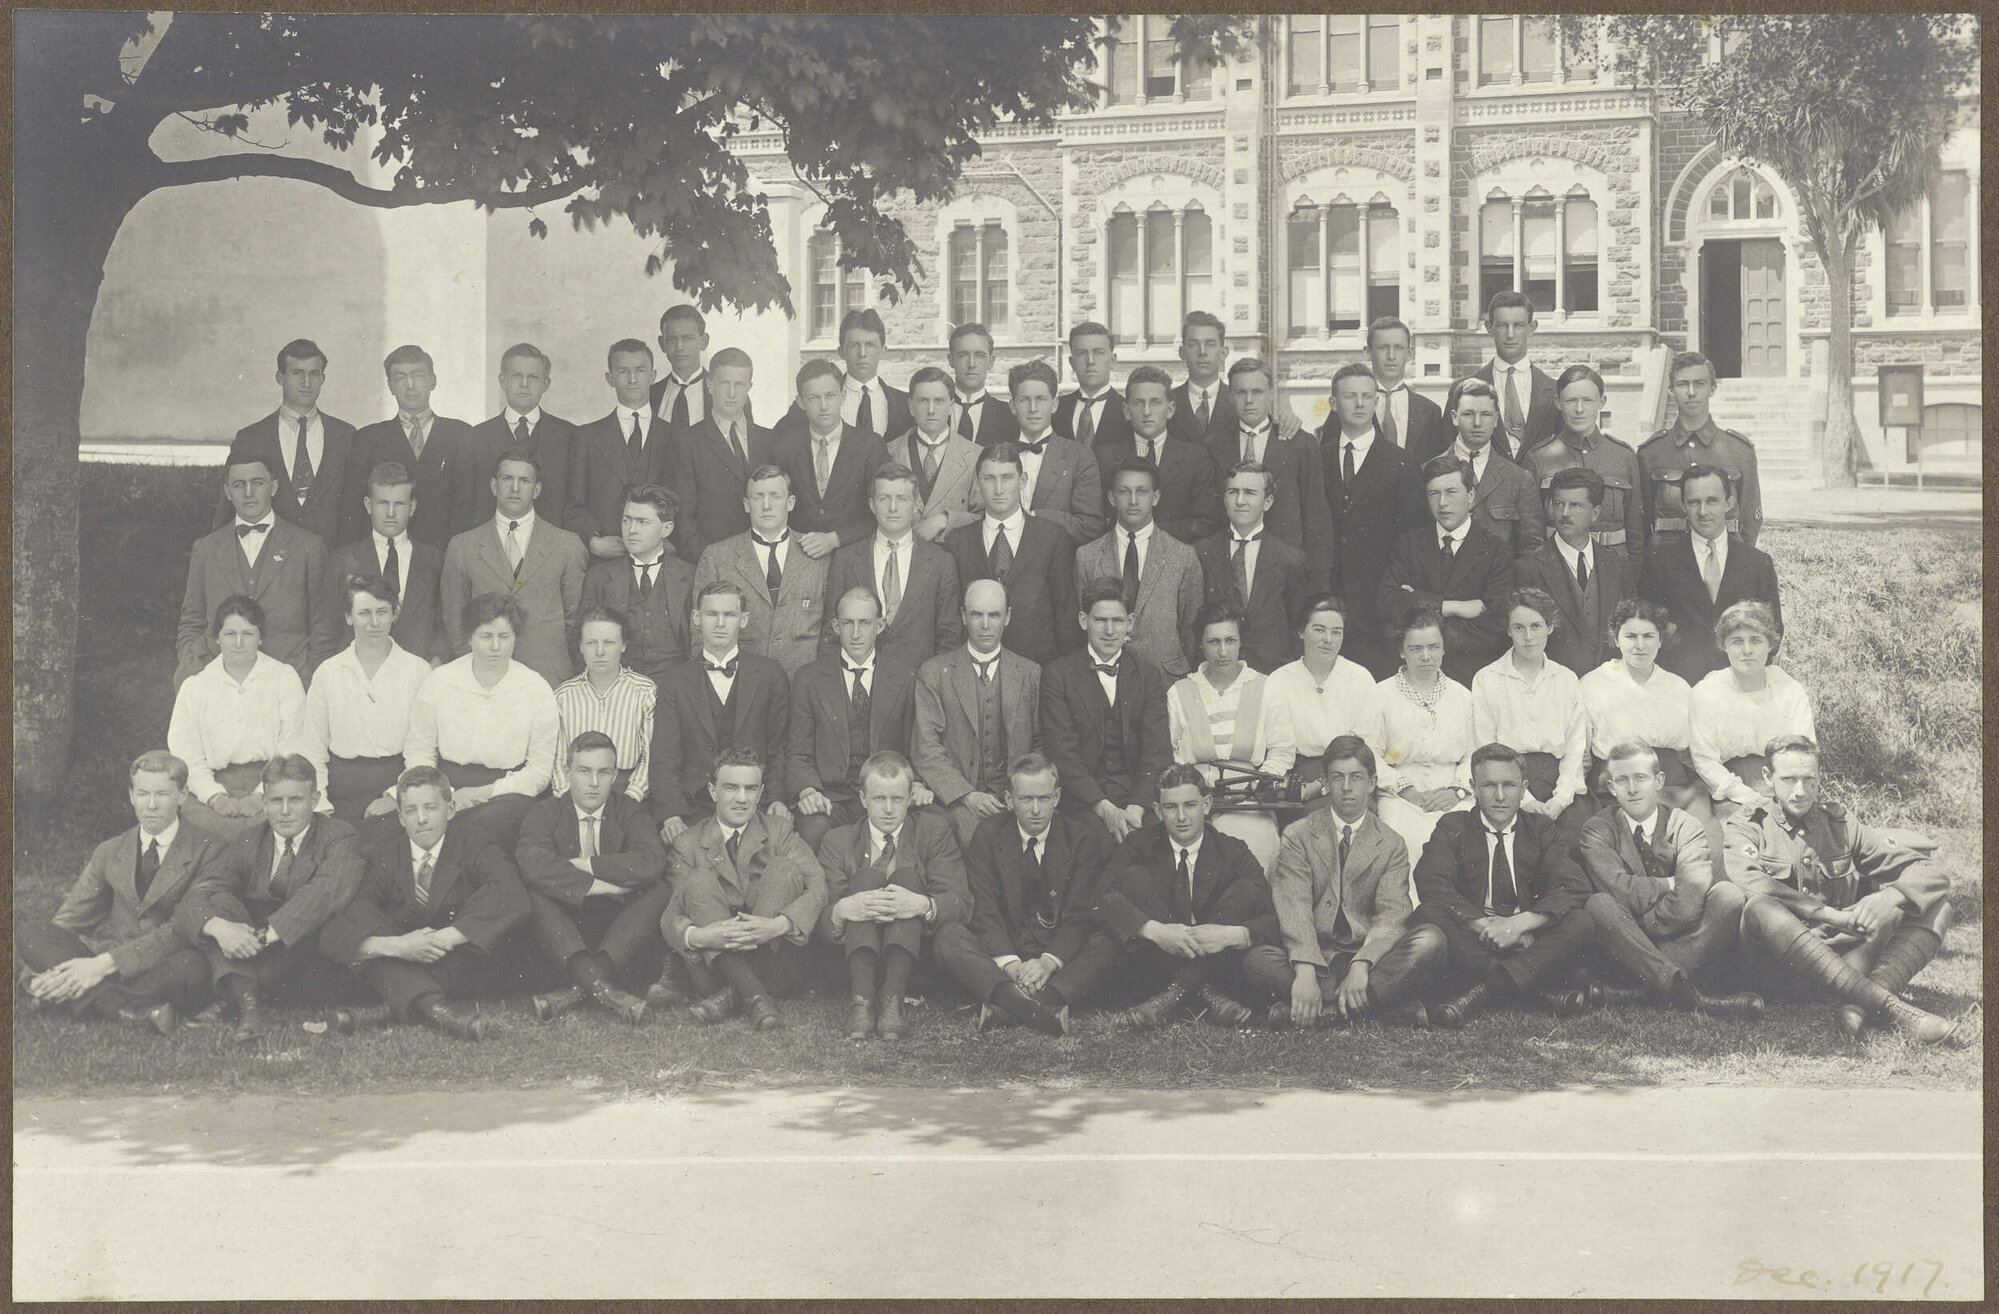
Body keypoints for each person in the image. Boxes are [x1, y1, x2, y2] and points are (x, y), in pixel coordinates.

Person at [1728, 736, 1959, 1045]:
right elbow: (1747, 880)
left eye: (1809, 779)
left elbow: (1930, 871)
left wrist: (1891, 896)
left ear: (1819, 777)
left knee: (1936, 905)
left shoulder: (1839, 824)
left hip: (1844, 958)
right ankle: (1891, 1007)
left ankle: (1858, 1004)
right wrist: (1829, 915)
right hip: (1779, 968)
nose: (1800, 790)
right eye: (1789, 779)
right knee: (1760, 907)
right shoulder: (1748, 824)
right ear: (1768, 777)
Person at [317, 766, 531, 1041]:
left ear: (450, 809)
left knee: (496, 896)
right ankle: (441, 1012)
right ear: (400, 817)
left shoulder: (473, 842)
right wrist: (399, 947)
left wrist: (442, 939)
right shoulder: (384, 855)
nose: (421, 819)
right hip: (404, 957)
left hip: (459, 960)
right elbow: (344, 924)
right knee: (355, 917)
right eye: (411, 810)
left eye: (430, 807)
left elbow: (513, 895)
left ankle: (393, 1006)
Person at [16, 751, 222, 1034]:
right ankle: (134, 1010)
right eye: (143, 794)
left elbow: (182, 930)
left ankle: (88, 999)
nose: (151, 805)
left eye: (162, 794)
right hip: (116, 970)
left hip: (166, 964)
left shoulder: (209, 849)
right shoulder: (110, 851)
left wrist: (102, 965)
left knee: (191, 966)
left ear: (183, 795)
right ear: (131, 796)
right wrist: (38, 975)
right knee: (33, 933)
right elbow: (70, 919)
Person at [1256, 737, 1447, 1028]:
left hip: (1368, 956)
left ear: (1372, 783)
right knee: (1256, 958)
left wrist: (1362, 964)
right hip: (1315, 956)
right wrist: (1305, 970)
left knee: (1430, 940)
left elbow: (1393, 914)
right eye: (1337, 778)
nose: (1347, 787)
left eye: (1356, 778)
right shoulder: (1298, 834)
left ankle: (1323, 1010)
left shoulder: (1391, 843)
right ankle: (1380, 1009)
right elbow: (1294, 906)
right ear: (1325, 783)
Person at [174, 756, 364, 1039]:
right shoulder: (251, 838)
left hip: (302, 947)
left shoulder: (338, 835)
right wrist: (219, 928)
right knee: (220, 903)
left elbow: (326, 892)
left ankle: (235, 997)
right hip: (251, 947)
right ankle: (250, 1004)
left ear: (314, 800)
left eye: (296, 800)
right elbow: (199, 892)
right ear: (264, 802)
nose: (285, 811)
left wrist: (263, 937)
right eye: (276, 801)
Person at [1410, 744, 1599, 1027]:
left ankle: (1487, 988)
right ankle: (1532, 990)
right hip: (1476, 939)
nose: (1500, 796)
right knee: (1427, 913)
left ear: (1523, 789)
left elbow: (1574, 885)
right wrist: (1487, 927)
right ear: (1474, 787)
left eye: (1509, 785)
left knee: (1581, 921)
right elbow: (1431, 882)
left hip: (1528, 938)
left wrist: (1519, 924)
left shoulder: (1540, 828)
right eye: (1489, 785)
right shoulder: (1453, 825)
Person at [936, 752, 1120, 1035]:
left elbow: (1079, 915)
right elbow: (984, 908)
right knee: (948, 936)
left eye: (1044, 798)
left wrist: (1048, 962)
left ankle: (1007, 1002)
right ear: (1009, 800)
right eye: (1026, 799)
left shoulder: (1080, 838)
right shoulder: (988, 834)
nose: (1036, 809)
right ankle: (1039, 1007)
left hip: (1056, 955)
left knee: (1108, 941)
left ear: (1057, 797)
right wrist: (1011, 965)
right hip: (1005, 953)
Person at [1577, 742, 1762, 1018]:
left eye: (1641, 778)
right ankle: (1687, 993)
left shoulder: (1686, 825)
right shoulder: (1597, 830)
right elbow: (1617, 891)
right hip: (1626, 939)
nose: (1632, 788)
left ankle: (1645, 986)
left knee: (1728, 896)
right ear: (1612, 788)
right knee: (1599, 904)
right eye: (1622, 780)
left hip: (1661, 940)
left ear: (1659, 781)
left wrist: (1644, 926)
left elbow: (1689, 902)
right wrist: (1669, 884)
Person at [1093, 764, 1284, 1028]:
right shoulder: (1138, 844)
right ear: (1158, 811)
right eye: (1171, 807)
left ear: (1206, 805)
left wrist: (1231, 934)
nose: (1181, 817)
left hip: (1217, 962)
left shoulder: (1232, 850)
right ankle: (1205, 994)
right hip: (1156, 960)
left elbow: (1270, 917)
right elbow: (1099, 899)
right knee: (1133, 878)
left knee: (1247, 891)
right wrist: (1155, 930)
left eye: (1190, 805)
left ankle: (1175, 995)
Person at [663, 750, 827, 1030]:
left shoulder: (778, 831)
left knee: (784, 869)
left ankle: (738, 994)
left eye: (750, 789)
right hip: (715, 967)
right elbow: (672, 913)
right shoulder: (688, 843)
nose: (741, 798)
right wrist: (701, 936)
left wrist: (777, 925)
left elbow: (818, 886)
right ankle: (755, 996)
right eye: (731, 788)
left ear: (761, 792)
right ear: (712, 791)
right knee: (697, 881)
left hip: (774, 963)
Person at [516, 732, 671, 1025]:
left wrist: (586, 865)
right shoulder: (546, 812)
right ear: (568, 771)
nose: (594, 782)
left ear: (615, 775)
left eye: (603, 772)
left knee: (659, 890)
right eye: (584, 771)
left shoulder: (629, 810)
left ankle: (580, 987)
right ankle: (605, 989)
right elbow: (532, 864)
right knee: (532, 893)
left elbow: (651, 861)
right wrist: (598, 886)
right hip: (565, 930)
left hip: (617, 933)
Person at [818, 752, 972, 1042]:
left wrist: (923, 904)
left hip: (913, 961)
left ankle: (893, 1000)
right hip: (854, 962)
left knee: (906, 878)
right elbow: (821, 921)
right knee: (866, 879)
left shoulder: (933, 831)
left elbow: (961, 903)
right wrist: (842, 909)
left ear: (910, 797)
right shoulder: (838, 841)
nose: (888, 809)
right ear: (863, 799)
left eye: (897, 799)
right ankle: (862, 1002)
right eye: (879, 799)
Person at [402, 592, 562, 845]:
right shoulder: (440, 681)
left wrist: (482, 793)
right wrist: (440, 794)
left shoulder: (535, 688)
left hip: (508, 795)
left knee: (488, 826)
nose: (495, 646)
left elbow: (539, 772)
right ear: (469, 637)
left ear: (515, 637)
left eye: (504, 636)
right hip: (445, 788)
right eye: (486, 636)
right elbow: (419, 750)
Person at [648, 581, 792, 840]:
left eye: (730, 615)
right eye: (711, 614)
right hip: (695, 805)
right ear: (696, 618)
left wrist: (777, 799)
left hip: (754, 803)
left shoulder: (770, 674)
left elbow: (779, 747)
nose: (720, 623)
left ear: (744, 619)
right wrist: (671, 814)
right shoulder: (675, 680)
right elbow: (664, 755)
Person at [177, 457, 335, 689]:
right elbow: (192, 620)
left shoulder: (308, 547)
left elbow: (323, 625)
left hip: (289, 680)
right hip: (219, 683)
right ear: (228, 492)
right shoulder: (207, 549)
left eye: (257, 483)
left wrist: (311, 678)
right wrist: (193, 667)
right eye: (239, 485)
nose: (248, 492)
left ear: (274, 487)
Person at [440, 446, 589, 687]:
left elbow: (574, 619)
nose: (515, 488)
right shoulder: (463, 547)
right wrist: (474, 671)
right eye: (507, 479)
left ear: (537, 489)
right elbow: (455, 621)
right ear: (494, 485)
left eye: (525, 481)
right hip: (484, 677)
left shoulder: (567, 545)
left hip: (548, 677)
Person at [787, 587, 923, 849]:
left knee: (929, 826)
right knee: (813, 828)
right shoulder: (809, 678)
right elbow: (798, 752)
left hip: (886, 795)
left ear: (880, 625)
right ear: (836, 626)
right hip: (832, 798)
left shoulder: (905, 677)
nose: (856, 633)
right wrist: (809, 790)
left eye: (865, 623)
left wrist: (915, 783)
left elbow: (914, 748)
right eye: (848, 623)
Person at [1040, 579, 1173, 844]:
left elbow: (1157, 752)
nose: (1110, 630)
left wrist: (1136, 808)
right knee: (1095, 844)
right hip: (1084, 802)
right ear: (1083, 620)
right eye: (1100, 620)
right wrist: (1104, 809)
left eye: (1118, 621)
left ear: (1130, 623)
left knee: (1152, 844)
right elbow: (1063, 755)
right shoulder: (1058, 674)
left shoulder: (1148, 676)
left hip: (1137, 800)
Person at [913, 579, 1043, 846]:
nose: (985, 625)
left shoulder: (1030, 673)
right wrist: (966, 795)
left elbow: (1041, 742)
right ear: (963, 616)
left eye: (994, 615)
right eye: (976, 615)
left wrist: (1020, 794)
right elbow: (927, 748)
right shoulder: (935, 673)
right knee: (970, 837)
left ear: (1007, 617)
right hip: (959, 801)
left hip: (1015, 800)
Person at [1167, 602, 1295, 870]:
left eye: (1230, 640)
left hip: (1248, 798)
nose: (1223, 651)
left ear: (1240, 642)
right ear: (1200, 644)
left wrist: (1255, 786)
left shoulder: (1265, 687)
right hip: (1193, 798)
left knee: (1257, 845)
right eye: (1213, 642)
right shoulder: (1180, 692)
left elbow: (1282, 750)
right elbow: (1172, 756)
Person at [168, 595, 308, 840]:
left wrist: (262, 794)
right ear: (217, 638)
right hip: (208, 786)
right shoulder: (196, 686)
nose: (239, 643)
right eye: (230, 634)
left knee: (266, 832)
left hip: (275, 783)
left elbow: (293, 743)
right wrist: (214, 796)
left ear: (261, 638)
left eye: (248, 634)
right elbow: (185, 752)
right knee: (206, 834)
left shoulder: (284, 678)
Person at [297, 573, 433, 822]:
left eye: (382, 612)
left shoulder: (418, 671)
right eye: (364, 613)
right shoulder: (328, 672)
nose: (374, 622)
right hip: (338, 789)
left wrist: (396, 797)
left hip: (399, 785)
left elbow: (422, 750)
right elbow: (313, 749)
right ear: (349, 617)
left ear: (394, 614)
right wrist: (321, 806)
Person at [1322, 362, 1429, 677]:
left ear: (1376, 401)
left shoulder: (1402, 463)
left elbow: (1412, 536)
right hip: (1329, 600)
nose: (1359, 404)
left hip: (1378, 606)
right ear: (1333, 403)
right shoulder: (1317, 457)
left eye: (1366, 396)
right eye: (1350, 396)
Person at [1378, 454, 1513, 685]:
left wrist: (1416, 604)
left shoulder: (1496, 550)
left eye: (1451, 492)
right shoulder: (1408, 544)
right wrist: (1451, 607)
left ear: (1471, 495)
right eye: (1434, 493)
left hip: (1471, 676)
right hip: (1414, 675)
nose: (1442, 503)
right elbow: (1388, 603)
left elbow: (1495, 626)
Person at [1641, 463, 1782, 682]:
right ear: (1683, 506)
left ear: (1729, 503)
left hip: (1739, 684)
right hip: (1680, 685)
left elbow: (1773, 632)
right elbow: (1649, 631)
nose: (1703, 512)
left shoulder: (1757, 563)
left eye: (1712, 501)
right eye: (1694, 502)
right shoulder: (1660, 562)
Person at [943, 441, 1078, 664]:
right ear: (977, 482)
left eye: (1007, 478)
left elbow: (1065, 615)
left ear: (1022, 481)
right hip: (974, 666)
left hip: (1038, 666)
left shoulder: (1052, 537)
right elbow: (951, 618)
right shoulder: (958, 541)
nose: (998, 489)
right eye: (989, 478)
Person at [820, 462, 964, 670]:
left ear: (916, 504)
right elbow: (831, 633)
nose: (893, 508)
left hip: (919, 681)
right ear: (872, 505)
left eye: (902, 498)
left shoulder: (940, 562)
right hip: (859, 680)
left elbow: (949, 638)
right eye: (884, 498)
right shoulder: (846, 559)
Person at [221, 338, 363, 549]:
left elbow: (357, 509)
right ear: (280, 378)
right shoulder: (251, 438)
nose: (307, 382)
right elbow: (227, 511)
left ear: (322, 379)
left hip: (332, 559)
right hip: (270, 560)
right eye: (297, 373)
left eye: (314, 374)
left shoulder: (346, 436)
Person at [692, 464, 828, 678]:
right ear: (747, 505)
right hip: (741, 681)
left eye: (775, 496)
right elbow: (699, 631)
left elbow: (831, 629)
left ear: (790, 503)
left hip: (803, 680)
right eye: (758, 497)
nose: (766, 506)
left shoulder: (817, 554)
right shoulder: (717, 556)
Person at [1074, 457, 1204, 677]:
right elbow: (1085, 625)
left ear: (1156, 497)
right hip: (1105, 677)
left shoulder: (1182, 555)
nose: (1133, 500)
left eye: (1142, 491)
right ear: (1112, 498)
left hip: (1165, 678)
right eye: (1124, 492)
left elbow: (1191, 630)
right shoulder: (1087, 556)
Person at [1369, 605, 1478, 864]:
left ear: (1443, 649)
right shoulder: (1381, 695)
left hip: (1453, 796)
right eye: (1416, 648)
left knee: (1464, 844)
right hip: (1399, 797)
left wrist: (1455, 792)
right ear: (1401, 651)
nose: (1426, 656)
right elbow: (1370, 753)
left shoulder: (1462, 696)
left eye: (1433, 647)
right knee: (1404, 844)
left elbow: (1473, 754)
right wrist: (1409, 792)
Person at [568, 339, 692, 564]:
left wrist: (672, 541)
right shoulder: (586, 436)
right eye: (623, 371)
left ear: (653, 376)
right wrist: (593, 541)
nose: (633, 379)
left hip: (664, 560)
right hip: (605, 562)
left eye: (640, 371)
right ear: (610, 378)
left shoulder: (678, 436)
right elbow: (573, 506)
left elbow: (688, 503)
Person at [1470, 588, 1588, 824]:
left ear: (1549, 627)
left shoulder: (1566, 679)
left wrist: (1560, 799)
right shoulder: (1487, 678)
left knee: (1575, 836)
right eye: (1519, 628)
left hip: (1559, 782)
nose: (1528, 636)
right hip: (1504, 784)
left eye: (1536, 626)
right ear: (1508, 630)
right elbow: (1484, 746)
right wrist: (1525, 801)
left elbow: (1575, 747)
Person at [1689, 600, 1814, 817]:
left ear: (1770, 644)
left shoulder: (1789, 689)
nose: (1747, 650)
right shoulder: (1706, 692)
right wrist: (1748, 797)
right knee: (1742, 834)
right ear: (1725, 646)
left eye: (1756, 640)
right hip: (1729, 792)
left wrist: (1786, 790)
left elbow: (1805, 750)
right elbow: (1704, 759)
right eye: (1737, 641)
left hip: (1785, 786)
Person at [1216, 357, 1330, 588]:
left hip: (1286, 570)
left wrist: (1317, 584)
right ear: (1230, 396)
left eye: (1257, 392)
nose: (1249, 400)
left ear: (1270, 393)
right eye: (1241, 392)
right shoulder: (1214, 445)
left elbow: (1316, 516)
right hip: (1230, 567)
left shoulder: (1300, 443)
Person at [1259, 593, 1381, 808]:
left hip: (1351, 773)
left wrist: (1320, 785)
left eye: (1336, 631)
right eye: (1319, 630)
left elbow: (1365, 746)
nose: (1328, 639)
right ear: (1301, 631)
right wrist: (1266, 782)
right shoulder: (1280, 680)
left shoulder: (1360, 678)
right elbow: (1281, 752)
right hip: (1300, 775)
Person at [354, 344, 481, 549]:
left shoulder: (461, 435)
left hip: (448, 555)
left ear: (433, 381)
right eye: (400, 377)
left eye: (418, 375)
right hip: (387, 555)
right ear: (390, 386)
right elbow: (357, 514)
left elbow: (470, 507)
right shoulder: (368, 439)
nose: (410, 385)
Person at [1519, 365, 1643, 570]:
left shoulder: (1623, 456)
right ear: (1558, 402)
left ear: (1602, 402)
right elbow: (1531, 534)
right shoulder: (1538, 458)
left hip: (1614, 567)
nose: (1579, 409)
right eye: (1571, 400)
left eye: (1587, 400)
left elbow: (1636, 531)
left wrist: (1633, 578)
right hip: (1558, 568)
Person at [1512, 467, 1632, 676]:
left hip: (1608, 683)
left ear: (1595, 513)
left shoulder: (1617, 565)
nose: (1564, 513)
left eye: (1575, 505)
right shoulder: (1528, 568)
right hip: (1552, 684)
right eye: (1559, 504)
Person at [1639, 350, 1763, 552]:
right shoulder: (1651, 453)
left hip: (1723, 560)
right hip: (1667, 561)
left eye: (1699, 384)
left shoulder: (1740, 451)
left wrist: (1738, 563)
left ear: (1712, 388)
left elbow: (1750, 521)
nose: (1691, 392)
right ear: (1671, 390)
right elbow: (1642, 522)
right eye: (1682, 384)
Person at [324, 461, 445, 662]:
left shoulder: (433, 560)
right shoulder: (343, 560)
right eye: (383, 503)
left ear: (412, 507)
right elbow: (325, 631)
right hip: (359, 673)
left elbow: (444, 627)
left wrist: (435, 663)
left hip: (417, 672)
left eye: (399, 504)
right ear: (368, 505)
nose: (390, 513)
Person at [1195, 461, 1308, 675]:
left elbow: (1298, 629)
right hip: (1217, 673)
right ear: (1224, 498)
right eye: (1233, 492)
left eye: (1249, 493)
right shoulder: (1202, 552)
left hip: (1272, 672)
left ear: (1268, 501)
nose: (1240, 501)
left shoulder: (1289, 558)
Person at [771, 357, 890, 560]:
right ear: (800, 402)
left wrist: (835, 539)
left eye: (830, 395)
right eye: (813, 398)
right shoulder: (785, 447)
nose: (824, 406)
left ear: (843, 396)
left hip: (855, 557)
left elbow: (882, 512)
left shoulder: (870, 446)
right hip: (798, 557)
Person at [577, 483, 695, 685]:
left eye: (642, 522)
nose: (631, 530)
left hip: (676, 687)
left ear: (666, 529)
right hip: (617, 688)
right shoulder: (600, 577)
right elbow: (582, 641)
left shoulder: (689, 576)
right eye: (626, 520)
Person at [1097, 364, 1222, 545]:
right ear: (1126, 410)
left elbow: (1206, 521)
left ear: (1170, 409)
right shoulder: (1105, 457)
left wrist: (1148, 534)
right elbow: (1100, 519)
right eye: (1139, 403)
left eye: (1155, 402)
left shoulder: (1195, 457)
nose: (1147, 412)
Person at [671, 346, 773, 556]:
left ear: (749, 387)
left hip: (764, 558)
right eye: (725, 383)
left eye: (740, 384)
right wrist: (712, 562)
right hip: (709, 559)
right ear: (710, 385)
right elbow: (684, 520)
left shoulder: (769, 440)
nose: (732, 393)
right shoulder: (688, 442)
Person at [551, 608, 656, 806]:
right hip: (575, 793)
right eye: (591, 643)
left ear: (623, 645)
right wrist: (569, 801)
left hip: (627, 791)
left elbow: (649, 758)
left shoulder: (645, 692)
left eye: (609, 643)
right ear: (581, 646)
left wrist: (630, 799)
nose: (600, 651)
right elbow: (558, 761)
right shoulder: (563, 696)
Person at [467, 342, 576, 530]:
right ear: (502, 380)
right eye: (517, 376)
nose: (524, 384)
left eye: (533, 377)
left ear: (545, 384)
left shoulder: (570, 436)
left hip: (552, 543)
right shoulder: (475, 438)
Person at [1006, 358, 1106, 545]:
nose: (1033, 409)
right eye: (1024, 400)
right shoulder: (998, 455)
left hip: (1056, 560)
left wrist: (1035, 517)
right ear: (1012, 406)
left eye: (1041, 399)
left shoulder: (1079, 457)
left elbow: (1090, 525)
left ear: (1054, 404)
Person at [1444, 376, 1544, 557]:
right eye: (1468, 414)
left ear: (1496, 419)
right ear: (1454, 418)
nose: (1477, 423)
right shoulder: (1429, 472)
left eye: (1485, 414)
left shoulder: (1518, 479)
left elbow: (1532, 546)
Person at [887, 366, 982, 543]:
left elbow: (986, 516)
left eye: (939, 401)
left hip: (955, 555)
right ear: (911, 406)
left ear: (951, 406)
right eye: (923, 401)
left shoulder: (974, 455)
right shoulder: (890, 452)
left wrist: (945, 520)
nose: (931, 410)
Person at [1472, 290, 1559, 460]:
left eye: (1518, 326)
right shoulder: (1464, 389)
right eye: (1502, 326)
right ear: (1489, 328)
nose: (1510, 335)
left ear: (1531, 328)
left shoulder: (1554, 391)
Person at [1365, 316, 1450, 464]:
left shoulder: (1430, 412)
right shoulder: (1348, 406)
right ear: (1369, 352)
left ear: (1409, 353)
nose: (1391, 356)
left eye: (1398, 348)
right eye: (1383, 348)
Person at [649, 304, 726, 434]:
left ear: (704, 341)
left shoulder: (726, 394)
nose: (679, 347)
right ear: (662, 344)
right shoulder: (649, 395)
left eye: (688, 338)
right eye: (671, 339)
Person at [1053, 321, 1129, 449]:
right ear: (1071, 362)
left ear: (1112, 360)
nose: (1090, 361)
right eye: (1081, 353)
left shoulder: (1127, 411)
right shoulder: (1056, 409)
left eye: (1099, 352)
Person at [947, 321, 1017, 447]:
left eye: (979, 356)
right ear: (951, 360)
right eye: (963, 355)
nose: (971, 364)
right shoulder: (932, 409)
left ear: (991, 361)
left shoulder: (1010, 416)